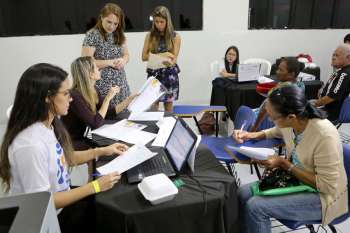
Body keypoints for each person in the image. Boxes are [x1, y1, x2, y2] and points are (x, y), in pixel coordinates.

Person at [0, 63, 129, 233]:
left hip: (61, 202)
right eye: (66, 93)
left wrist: (103, 150)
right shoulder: (30, 146)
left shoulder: (47, 125)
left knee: (112, 207)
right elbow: (43, 202)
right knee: (112, 217)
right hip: (49, 218)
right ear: (47, 97)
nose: (71, 98)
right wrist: (95, 186)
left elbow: (64, 158)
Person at [232, 85, 347, 233]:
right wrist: (250, 135)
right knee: (242, 193)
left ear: (290, 117)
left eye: (272, 117)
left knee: (256, 207)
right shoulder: (294, 120)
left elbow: (327, 186)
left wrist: (283, 163)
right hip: (296, 180)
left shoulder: (324, 135)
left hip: (324, 197)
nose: (269, 119)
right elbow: (278, 130)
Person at [62, 56, 137, 151]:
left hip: (86, 135)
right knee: (110, 146)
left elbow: (109, 113)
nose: (99, 69)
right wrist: (108, 98)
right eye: (96, 68)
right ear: (90, 74)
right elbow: (95, 123)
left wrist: (129, 100)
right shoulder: (75, 96)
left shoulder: (93, 90)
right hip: (73, 141)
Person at [82, 3, 130, 109]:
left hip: (121, 85)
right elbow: (86, 62)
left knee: (122, 118)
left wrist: (123, 60)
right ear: (101, 17)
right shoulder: (92, 35)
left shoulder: (119, 34)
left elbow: (126, 55)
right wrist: (110, 62)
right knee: (104, 120)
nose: (112, 26)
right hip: (101, 88)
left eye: (115, 23)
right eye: (109, 22)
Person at [243, 57, 305, 132]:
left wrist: (254, 128)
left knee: (243, 111)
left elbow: (265, 108)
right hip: (282, 126)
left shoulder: (282, 88)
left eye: (281, 70)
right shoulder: (301, 85)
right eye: (278, 69)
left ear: (291, 74)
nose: (277, 72)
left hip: (270, 122)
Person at [142, 5, 181, 112]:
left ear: (167, 21)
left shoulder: (175, 37)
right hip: (154, 74)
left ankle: (167, 128)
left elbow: (173, 59)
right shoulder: (150, 36)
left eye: (161, 22)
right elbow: (144, 57)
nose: (159, 24)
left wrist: (167, 59)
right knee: (153, 106)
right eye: (156, 21)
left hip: (169, 74)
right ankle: (154, 128)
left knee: (168, 108)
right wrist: (164, 55)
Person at [313, 44, 350, 123]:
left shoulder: (345, 74)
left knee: (297, 113)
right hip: (326, 109)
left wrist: (314, 104)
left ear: (348, 57)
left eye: (337, 55)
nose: (333, 58)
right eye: (333, 55)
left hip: (331, 114)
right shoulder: (341, 72)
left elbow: (332, 96)